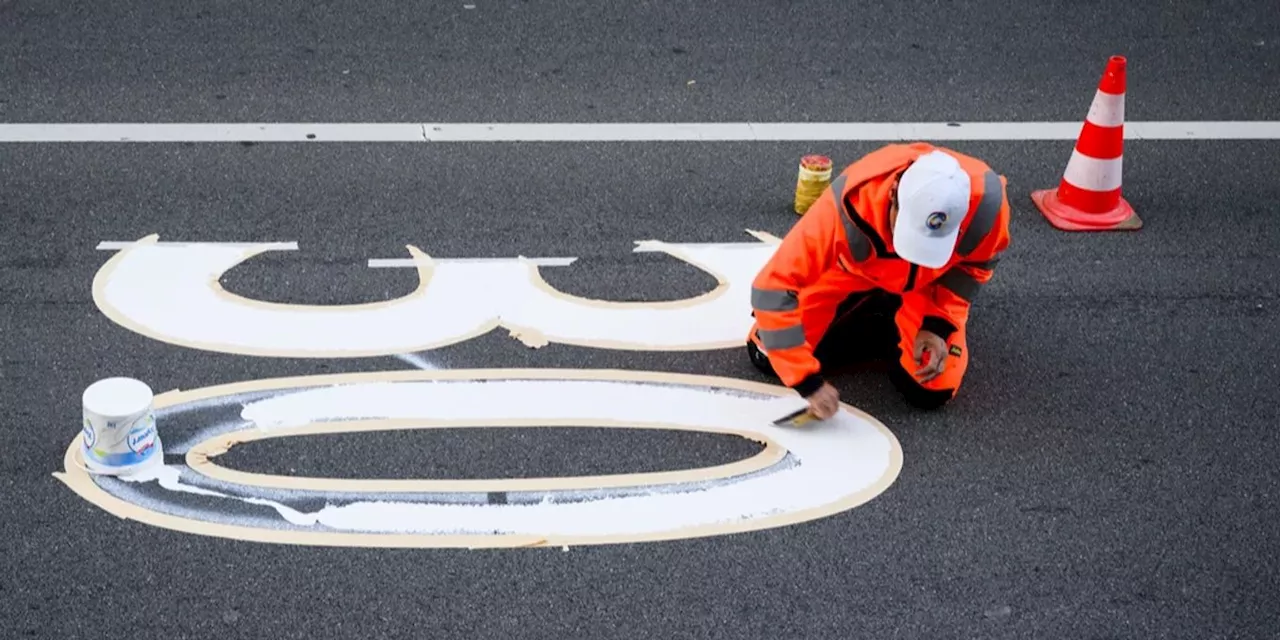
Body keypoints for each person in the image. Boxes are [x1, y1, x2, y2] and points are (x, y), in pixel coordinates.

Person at [746, 142, 1011, 415]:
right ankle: (881, 314)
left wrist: (937, 325)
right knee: (767, 354)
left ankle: (890, 319)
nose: (911, 253)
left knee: (931, 389)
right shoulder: (847, 204)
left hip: (927, 289)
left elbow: (972, 270)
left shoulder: (987, 208)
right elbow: (772, 288)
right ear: (894, 192)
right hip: (852, 275)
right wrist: (807, 381)